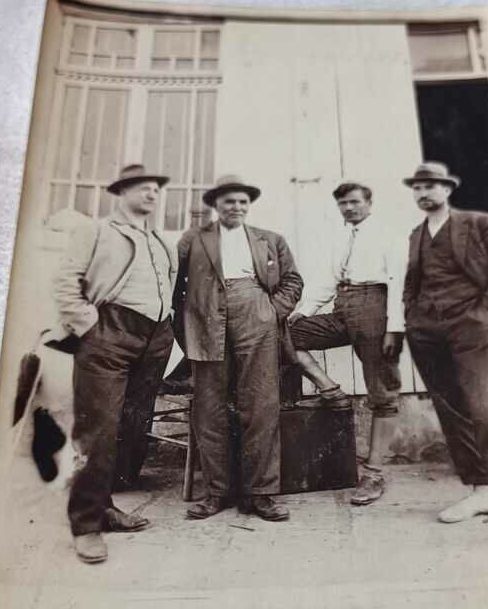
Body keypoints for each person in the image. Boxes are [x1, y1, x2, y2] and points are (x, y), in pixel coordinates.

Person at [402, 162, 488, 559]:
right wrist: (412, 316)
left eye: (431, 186)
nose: (423, 192)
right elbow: (415, 282)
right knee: (453, 413)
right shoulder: (416, 234)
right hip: (427, 332)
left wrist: (483, 310)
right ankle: (480, 490)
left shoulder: (479, 223)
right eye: (417, 187)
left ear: (447, 189)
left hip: (471, 327)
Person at [54, 163, 177, 563]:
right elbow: (66, 281)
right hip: (110, 331)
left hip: (155, 336)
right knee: (99, 429)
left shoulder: (159, 239)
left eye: (155, 189)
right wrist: (89, 325)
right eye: (142, 188)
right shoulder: (96, 230)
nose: (151, 195)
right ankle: (86, 524)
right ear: (121, 192)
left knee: (132, 424)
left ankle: (105, 506)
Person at [176, 175, 303, 522]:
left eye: (243, 202)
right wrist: (187, 332)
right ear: (216, 204)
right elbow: (177, 289)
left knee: (260, 403)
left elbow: (293, 280)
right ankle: (216, 492)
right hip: (205, 321)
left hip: (255, 317)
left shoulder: (270, 240)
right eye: (230, 201)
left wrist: (271, 312)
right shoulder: (193, 239)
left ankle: (261, 494)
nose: (237, 207)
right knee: (209, 407)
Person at [286, 181, 404, 505]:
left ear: (369, 202)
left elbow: (398, 281)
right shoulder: (340, 237)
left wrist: (395, 328)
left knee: (381, 392)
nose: (349, 208)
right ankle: (329, 388)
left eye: (354, 202)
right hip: (344, 306)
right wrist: (304, 311)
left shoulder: (388, 234)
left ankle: (374, 474)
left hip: (376, 308)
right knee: (285, 336)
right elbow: (327, 278)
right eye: (343, 204)